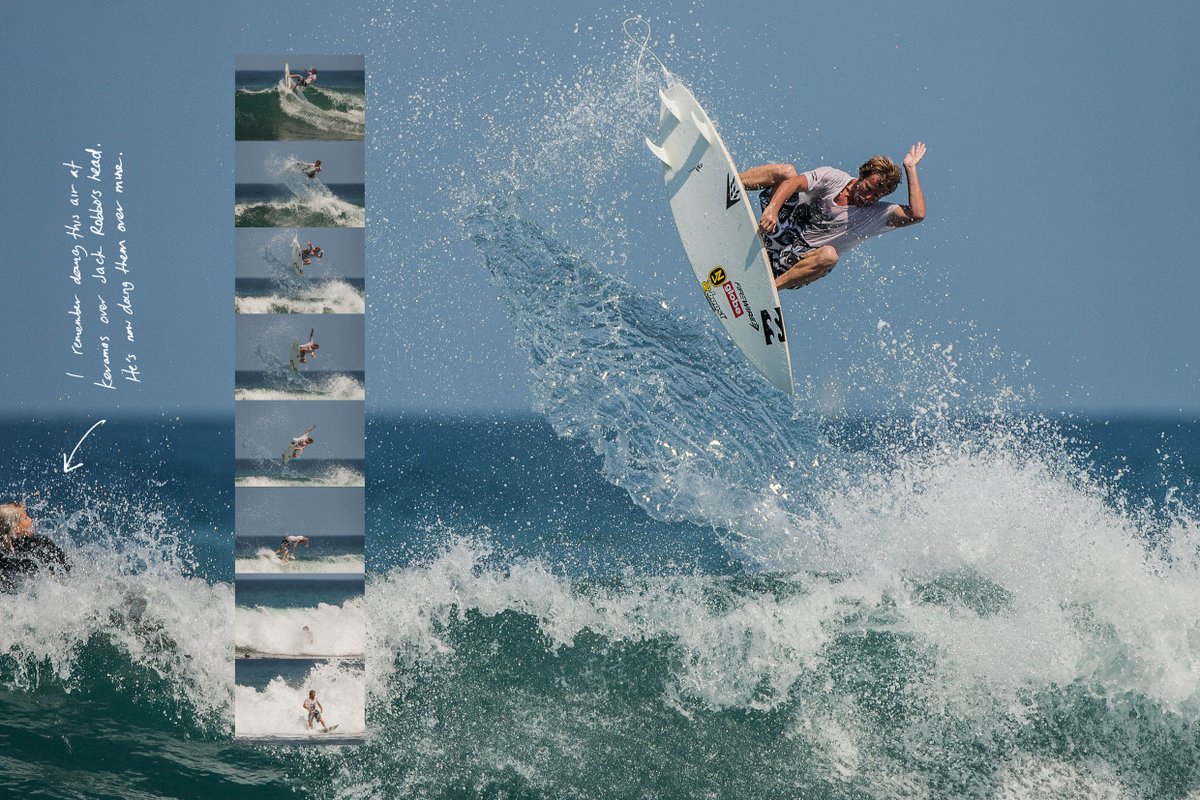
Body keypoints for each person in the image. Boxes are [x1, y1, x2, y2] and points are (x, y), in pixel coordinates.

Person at [738, 142, 926, 290]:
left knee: (830, 256)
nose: (868, 197)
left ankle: (768, 291)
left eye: (876, 196)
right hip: (776, 228)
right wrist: (772, 209)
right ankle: (730, 184)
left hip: (792, 262)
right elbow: (793, 183)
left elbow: (917, 214)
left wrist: (910, 168)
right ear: (862, 175)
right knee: (786, 171)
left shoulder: (876, 213)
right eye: (868, 188)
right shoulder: (832, 177)